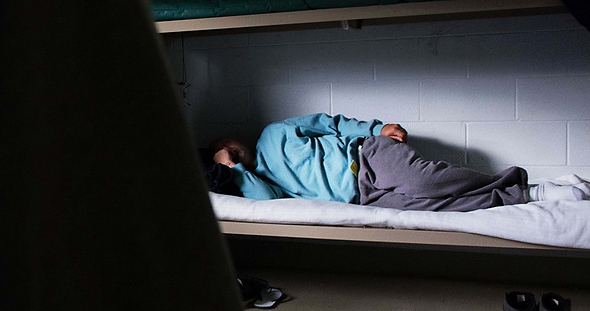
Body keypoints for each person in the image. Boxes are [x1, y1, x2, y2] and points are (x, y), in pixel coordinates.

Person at [211, 113, 589, 211]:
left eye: (226, 142)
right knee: (438, 207)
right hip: (363, 198)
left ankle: (526, 183)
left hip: (368, 158)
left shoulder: (274, 132)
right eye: (221, 150)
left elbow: (330, 123)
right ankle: (530, 196)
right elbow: (271, 206)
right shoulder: (258, 180)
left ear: (235, 138)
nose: (227, 147)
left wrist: (378, 126)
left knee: (427, 182)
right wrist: (234, 169)